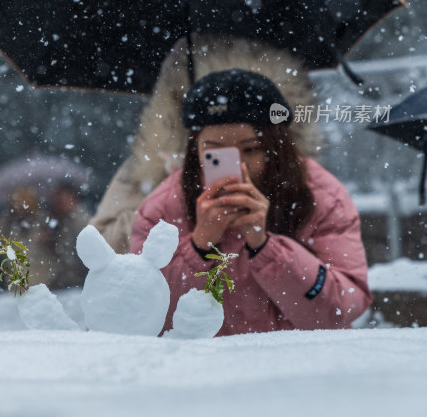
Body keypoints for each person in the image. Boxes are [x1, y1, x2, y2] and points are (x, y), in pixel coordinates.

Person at [130, 69, 372, 335]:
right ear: (194, 149)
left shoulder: (322, 196)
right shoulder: (164, 208)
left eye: (251, 149)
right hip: (202, 368)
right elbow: (143, 313)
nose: (238, 166)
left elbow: (341, 309)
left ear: (278, 145)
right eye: (214, 152)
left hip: (301, 364)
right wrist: (199, 244)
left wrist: (266, 247)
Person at [91, 34, 321, 254]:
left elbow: (332, 281)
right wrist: (169, 196)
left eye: (251, 148)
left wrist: (265, 238)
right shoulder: (151, 165)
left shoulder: (306, 179)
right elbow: (103, 250)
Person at [45, 180, 89, 289]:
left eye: (62, 198)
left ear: (74, 198)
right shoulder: (62, 220)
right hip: (68, 283)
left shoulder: (81, 221)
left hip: (78, 283)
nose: (58, 203)